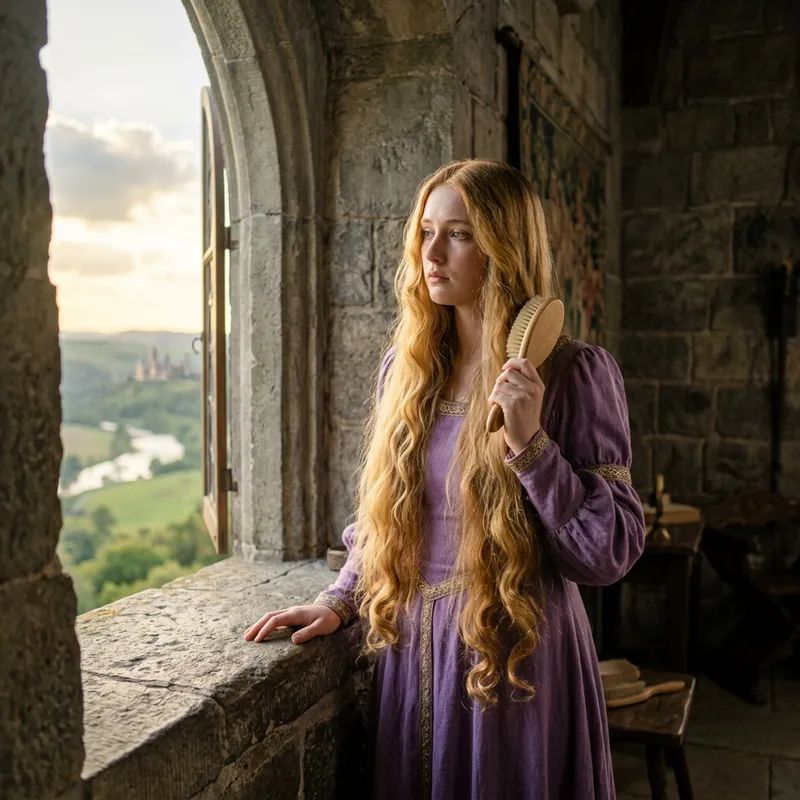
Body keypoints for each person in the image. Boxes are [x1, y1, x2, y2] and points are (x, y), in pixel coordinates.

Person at [245, 159, 646, 799]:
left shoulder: (574, 374)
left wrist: (530, 443)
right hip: (411, 663)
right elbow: (390, 522)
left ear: (503, 246)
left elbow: (608, 553)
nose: (432, 252)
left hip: (517, 667)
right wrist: (339, 600)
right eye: (427, 231)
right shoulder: (405, 376)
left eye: (458, 234)